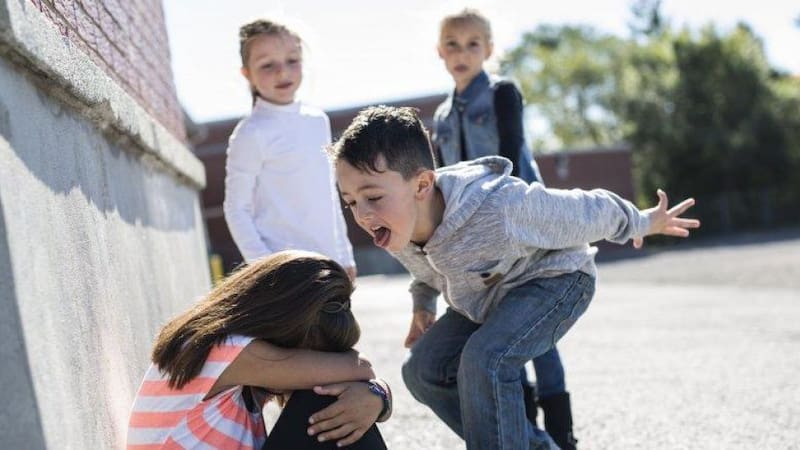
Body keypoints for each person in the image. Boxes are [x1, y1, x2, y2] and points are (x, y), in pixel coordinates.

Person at [329, 106, 700, 450]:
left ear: (422, 186)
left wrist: (643, 221)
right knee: (423, 371)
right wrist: (422, 305)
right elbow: (426, 271)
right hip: (487, 297)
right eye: (350, 202)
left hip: (556, 280)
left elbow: (586, 209)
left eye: (372, 197)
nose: (361, 214)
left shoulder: (499, 207)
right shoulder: (398, 225)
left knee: (485, 360)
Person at [431, 9, 573, 447]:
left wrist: (519, 234)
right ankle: (525, 429)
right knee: (500, 331)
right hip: (475, 240)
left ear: (489, 49)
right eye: (452, 44)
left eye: (473, 43)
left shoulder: (501, 94)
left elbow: (512, 155)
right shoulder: (439, 118)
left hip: (524, 227)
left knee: (537, 333)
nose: (462, 52)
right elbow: (443, 182)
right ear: (440, 51)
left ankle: (561, 435)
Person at [126, 250, 391, 449]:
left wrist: (377, 396)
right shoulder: (225, 349)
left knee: (339, 400)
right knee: (324, 396)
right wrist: (375, 393)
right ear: (284, 324)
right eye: (312, 354)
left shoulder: (236, 363)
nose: (311, 362)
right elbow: (361, 368)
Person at [224, 19, 356, 279]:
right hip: (285, 274)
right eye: (267, 65)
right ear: (247, 74)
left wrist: (345, 255)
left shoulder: (318, 121)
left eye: (292, 60)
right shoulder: (251, 133)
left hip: (329, 266)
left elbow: (328, 196)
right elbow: (236, 209)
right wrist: (266, 268)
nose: (282, 72)